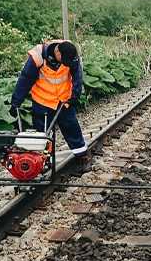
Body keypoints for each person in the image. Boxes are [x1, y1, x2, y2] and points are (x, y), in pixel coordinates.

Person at [9, 40, 91, 176]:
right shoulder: (37, 57)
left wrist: (75, 95)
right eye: (63, 60)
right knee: (42, 135)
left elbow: (77, 76)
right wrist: (15, 102)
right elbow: (25, 79)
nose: (65, 63)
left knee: (72, 128)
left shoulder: (71, 54)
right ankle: (42, 163)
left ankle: (83, 157)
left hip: (64, 100)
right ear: (57, 52)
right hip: (42, 100)